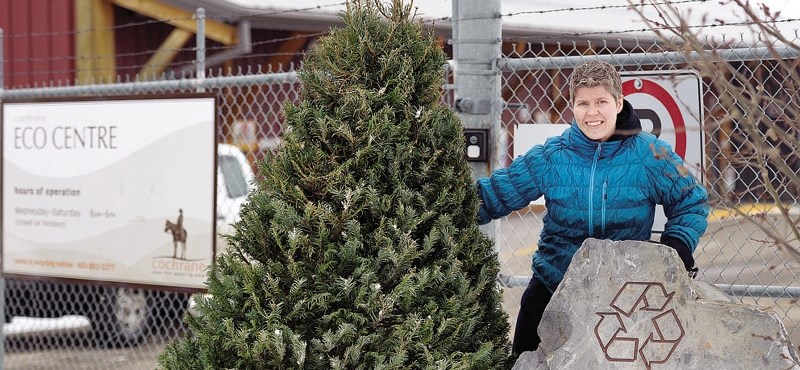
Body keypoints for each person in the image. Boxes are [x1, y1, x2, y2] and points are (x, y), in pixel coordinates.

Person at [475, 60, 709, 354]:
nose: (592, 112)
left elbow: (691, 201)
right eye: (583, 103)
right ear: (573, 107)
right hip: (553, 285)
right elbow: (496, 194)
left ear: (619, 102)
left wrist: (677, 248)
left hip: (623, 296)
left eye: (601, 101)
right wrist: (440, 206)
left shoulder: (650, 154)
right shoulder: (552, 156)